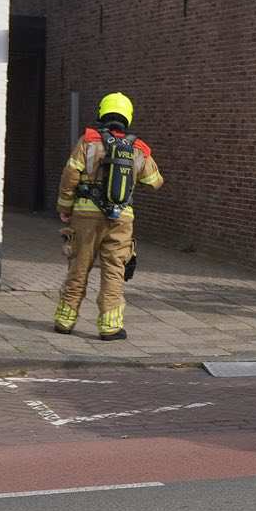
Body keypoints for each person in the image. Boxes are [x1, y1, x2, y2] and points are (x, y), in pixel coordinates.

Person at [54, 92, 163, 340]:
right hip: (121, 217)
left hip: (86, 215)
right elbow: (155, 181)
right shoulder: (138, 148)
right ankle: (110, 327)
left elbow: (70, 175)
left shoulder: (88, 141)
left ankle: (64, 320)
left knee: (79, 267)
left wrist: (65, 207)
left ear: (102, 112)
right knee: (114, 270)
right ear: (128, 116)